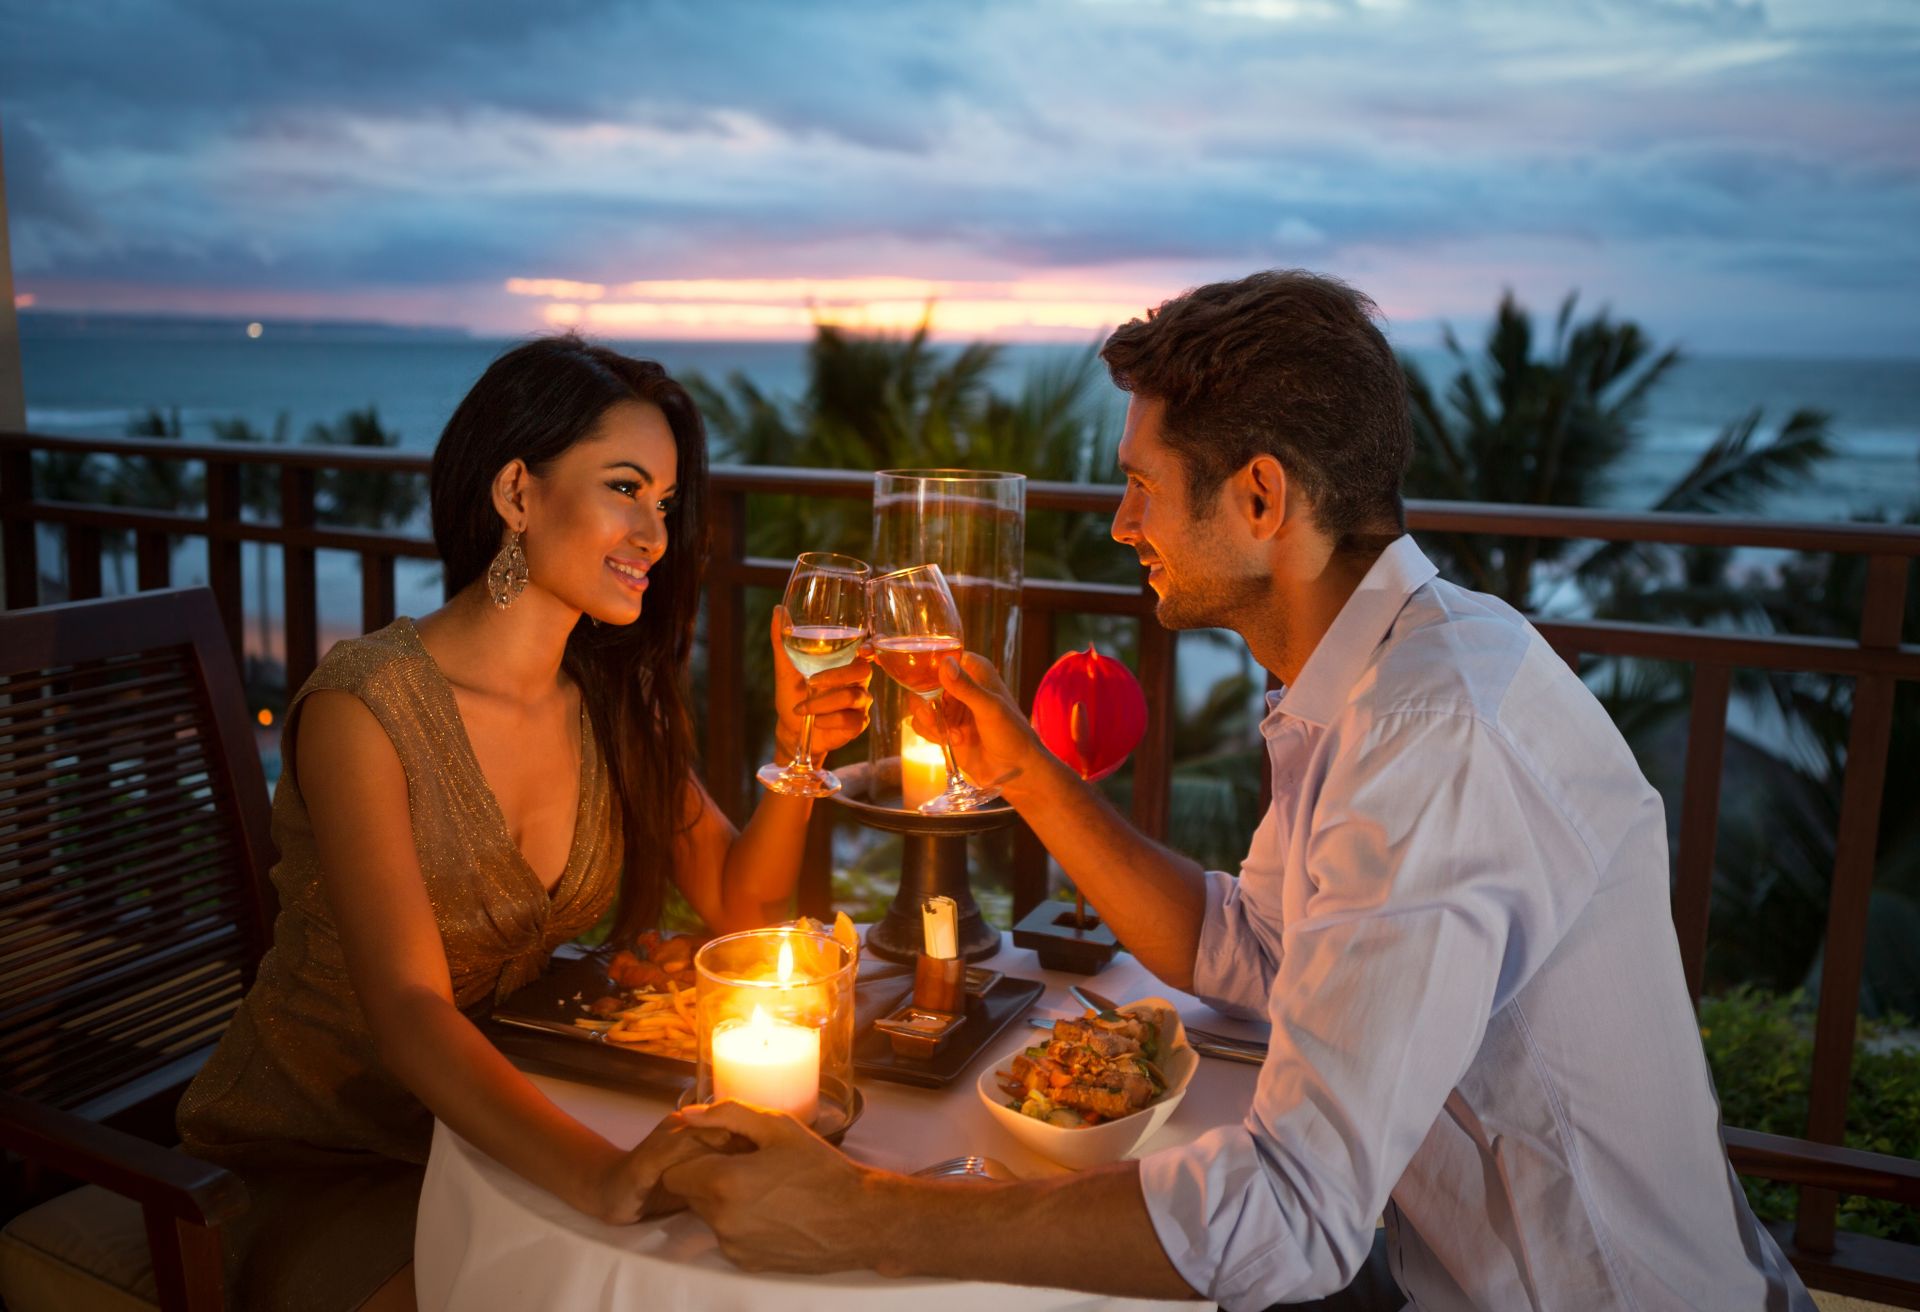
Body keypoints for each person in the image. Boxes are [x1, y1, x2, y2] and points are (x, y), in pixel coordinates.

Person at [661, 272, 1814, 1310]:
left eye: (1142, 488)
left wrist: (864, 1214)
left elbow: (1292, 1215)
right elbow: (1255, 950)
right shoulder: (1379, 673)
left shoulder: (1433, 736)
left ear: (1261, 499)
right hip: (1437, 1268)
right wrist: (1020, 764)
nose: (1120, 526)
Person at [176, 335, 872, 1311]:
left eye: (664, 504)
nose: (655, 536)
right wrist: (602, 1173)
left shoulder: (615, 700)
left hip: (496, 1127)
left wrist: (801, 749)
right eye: (625, 488)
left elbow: (741, 903)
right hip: (314, 1154)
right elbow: (410, 1011)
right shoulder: (365, 708)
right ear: (517, 494)